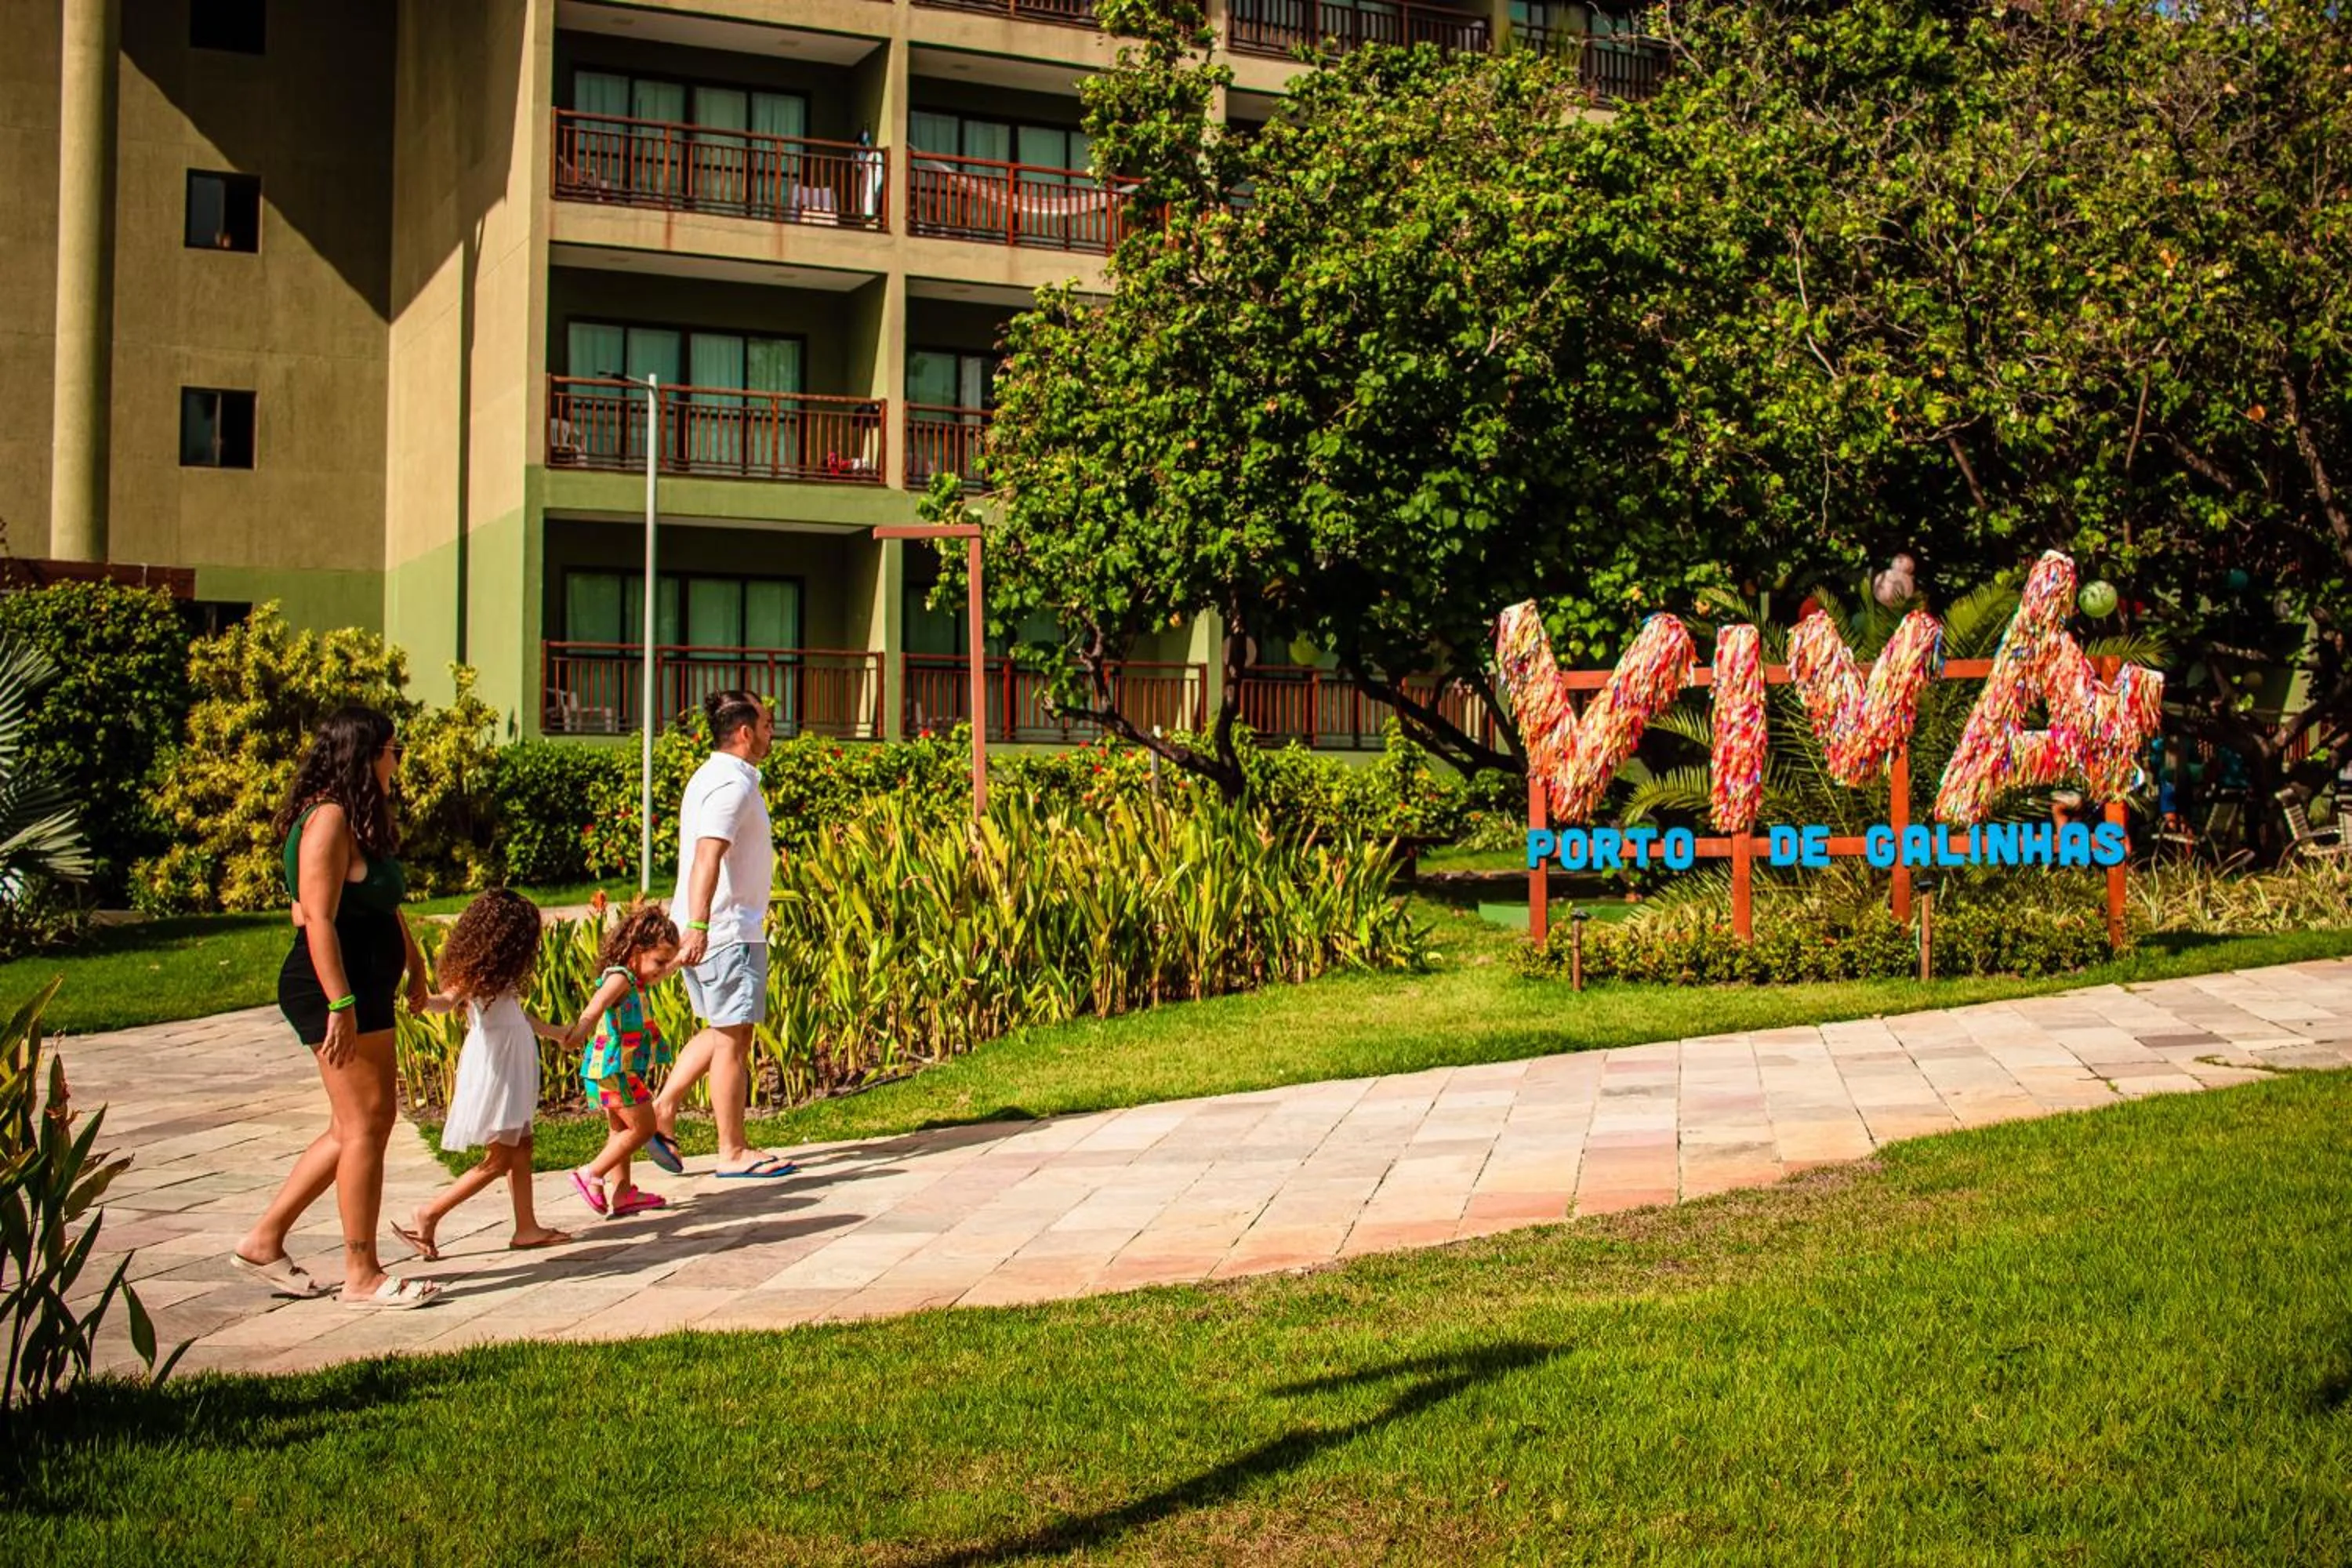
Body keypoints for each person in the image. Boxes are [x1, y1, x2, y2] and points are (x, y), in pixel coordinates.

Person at [232, 706, 441, 1309]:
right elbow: (316, 918)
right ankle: (361, 1273)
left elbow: (381, 905)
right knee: (366, 1125)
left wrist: (414, 962)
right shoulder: (326, 819)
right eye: (393, 750)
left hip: (364, 985)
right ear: (366, 754)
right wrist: (341, 1002)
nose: (397, 761)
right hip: (334, 989)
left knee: (358, 1124)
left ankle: (264, 1242)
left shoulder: (355, 817)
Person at [647, 689, 797, 1180]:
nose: (773, 732)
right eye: (768, 724)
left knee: (721, 1030)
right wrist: (699, 928)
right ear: (746, 732)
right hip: (726, 931)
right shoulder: (731, 785)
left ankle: (664, 1108)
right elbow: (708, 856)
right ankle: (732, 1152)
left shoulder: (711, 777)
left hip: (719, 928)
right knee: (733, 1041)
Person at [393, 889, 576, 1261]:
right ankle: (429, 1214)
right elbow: (447, 1001)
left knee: (522, 1144)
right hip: (497, 1066)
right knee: (500, 1157)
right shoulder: (474, 973)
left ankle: (526, 1228)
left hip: (513, 1060)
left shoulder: (499, 977)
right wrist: (423, 1000)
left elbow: (518, 1016)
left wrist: (557, 1033)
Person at [569, 904, 682, 1218]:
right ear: (635, 951)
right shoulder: (620, 979)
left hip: (615, 1068)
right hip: (615, 1069)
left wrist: (679, 961)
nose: (662, 970)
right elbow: (597, 1005)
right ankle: (591, 1173)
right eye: (659, 961)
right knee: (644, 1127)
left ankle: (622, 1193)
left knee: (620, 1131)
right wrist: (579, 1031)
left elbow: (660, 972)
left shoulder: (636, 979)